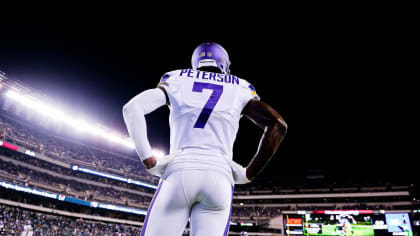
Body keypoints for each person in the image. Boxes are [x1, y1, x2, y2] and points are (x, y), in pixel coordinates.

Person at [123, 42, 287, 236]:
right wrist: (248, 173)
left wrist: (147, 157)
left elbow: (132, 108)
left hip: (180, 169)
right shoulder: (241, 87)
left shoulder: (177, 78)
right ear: (224, 63)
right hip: (220, 174)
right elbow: (278, 125)